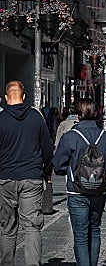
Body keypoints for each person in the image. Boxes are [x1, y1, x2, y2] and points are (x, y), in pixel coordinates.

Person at [52, 98, 106, 266]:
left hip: (76, 192)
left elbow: (58, 165)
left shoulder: (70, 137)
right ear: (96, 113)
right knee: (95, 230)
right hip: (99, 191)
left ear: (78, 114)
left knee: (81, 235)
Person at [0, 81, 53, 266]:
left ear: (6, 99)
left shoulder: (1, 119)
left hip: (5, 179)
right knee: (32, 227)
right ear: (24, 97)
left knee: (7, 228)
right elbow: (47, 147)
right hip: (31, 178)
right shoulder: (36, 117)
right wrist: (47, 171)